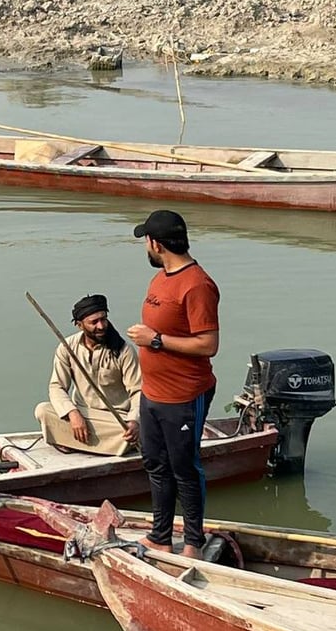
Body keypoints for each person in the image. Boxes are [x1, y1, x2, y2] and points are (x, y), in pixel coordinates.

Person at [126, 210, 220, 559]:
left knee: (185, 467)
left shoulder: (197, 285)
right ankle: (160, 535)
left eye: (145, 242)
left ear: (156, 243)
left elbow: (208, 344)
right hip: (152, 393)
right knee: (155, 463)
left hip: (184, 394)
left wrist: (155, 340)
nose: (145, 249)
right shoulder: (161, 278)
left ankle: (193, 542)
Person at [34, 293, 142, 456]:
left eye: (103, 319)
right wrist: (73, 413)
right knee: (43, 410)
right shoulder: (67, 347)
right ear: (80, 325)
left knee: (128, 432)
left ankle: (75, 442)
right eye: (94, 322)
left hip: (116, 418)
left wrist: (134, 421)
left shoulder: (123, 350)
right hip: (83, 414)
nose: (101, 326)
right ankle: (107, 446)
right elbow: (57, 386)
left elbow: (138, 391)